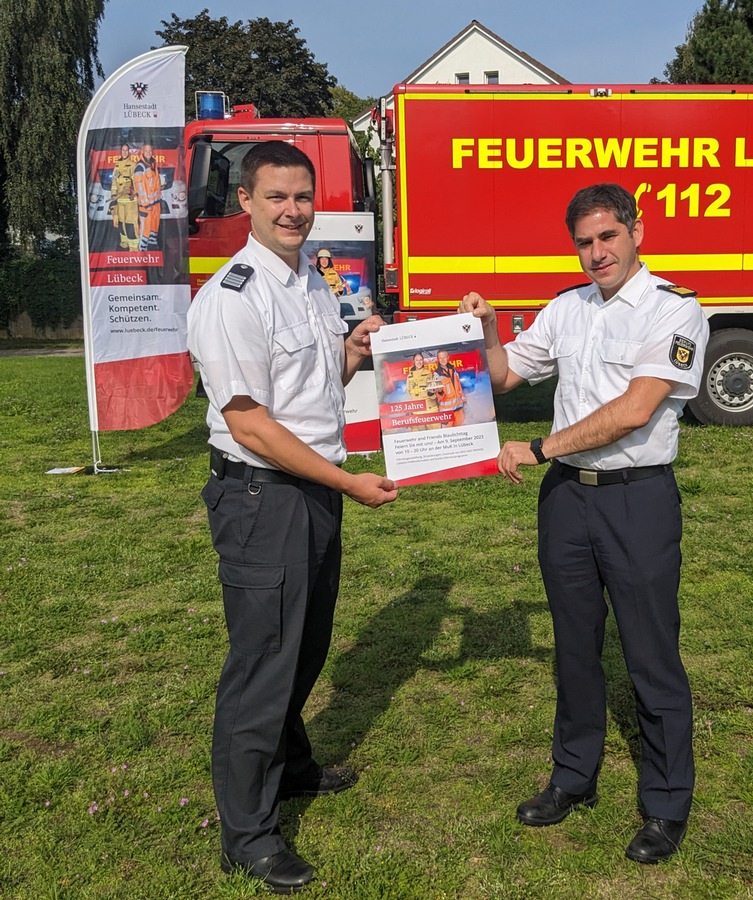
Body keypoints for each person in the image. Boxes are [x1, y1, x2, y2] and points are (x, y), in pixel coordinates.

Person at [459, 182, 709, 864]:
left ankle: (665, 804)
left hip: (637, 498)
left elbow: (634, 411)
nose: (596, 252)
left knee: (651, 657)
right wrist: (483, 329)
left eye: (607, 236)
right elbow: (505, 374)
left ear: (637, 232)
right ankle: (573, 777)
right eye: (584, 242)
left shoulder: (675, 311)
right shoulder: (566, 308)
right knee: (575, 649)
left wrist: (539, 448)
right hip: (568, 500)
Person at [187, 141, 398, 893]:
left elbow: (313, 391)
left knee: (305, 643)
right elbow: (251, 424)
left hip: (309, 489)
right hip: (262, 495)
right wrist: (347, 481)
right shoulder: (233, 297)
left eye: (302, 196)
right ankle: (248, 834)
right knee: (262, 665)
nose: (293, 210)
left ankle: (296, 766)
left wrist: (355, 350)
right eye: (276, 197)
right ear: (246, 202)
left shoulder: (311, 277)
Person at [110, 143, 139, 251]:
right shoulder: (117, 165)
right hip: (120, 200)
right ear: (120, 152)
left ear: (129, 152)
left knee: (130, 223)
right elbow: (113, 182)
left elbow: (136, 181)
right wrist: (113, 194)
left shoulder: (133, 164)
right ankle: (124, 243)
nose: (125, 152)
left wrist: (134, 193)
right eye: (123, 150)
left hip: (130, 201)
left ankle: (134, 247)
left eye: (126, 150)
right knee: (121, 222)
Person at [134, 142, 162, 252]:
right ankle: (142, 251)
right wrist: (146, 204)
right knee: (145, 229)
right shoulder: (140, 167)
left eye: (150, 151)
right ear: (142, 152)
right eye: (146, 151)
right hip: (146, 206)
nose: (149, 153)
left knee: (154, 227)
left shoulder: (153, 164)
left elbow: (154, 183)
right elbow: (139, 187)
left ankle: (152, 248)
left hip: (155, 204)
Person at [405, 351, 441, 428]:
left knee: (435, 435)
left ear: (423, 361)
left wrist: (431, 393)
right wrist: (409, 412)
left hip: (431, 410)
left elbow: (435, 393)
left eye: (421, 360)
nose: (419, 362)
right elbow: (409, 394)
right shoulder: (409, 377)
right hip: (417, 412)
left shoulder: (429, 373)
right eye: (417, 360)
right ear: (413, 361)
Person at [433, 348, 466, 427]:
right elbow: (438, 394)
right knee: (449, 433)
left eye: (444, 357)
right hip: (446, 410)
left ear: (448, 357)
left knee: (460, 429)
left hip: (459, 407)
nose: (442, 360)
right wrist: (440, 391)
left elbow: (459, 386)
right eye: (440, 358)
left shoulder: (453, 370)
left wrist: (463, 399)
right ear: (437, 359)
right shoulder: (436, 374)